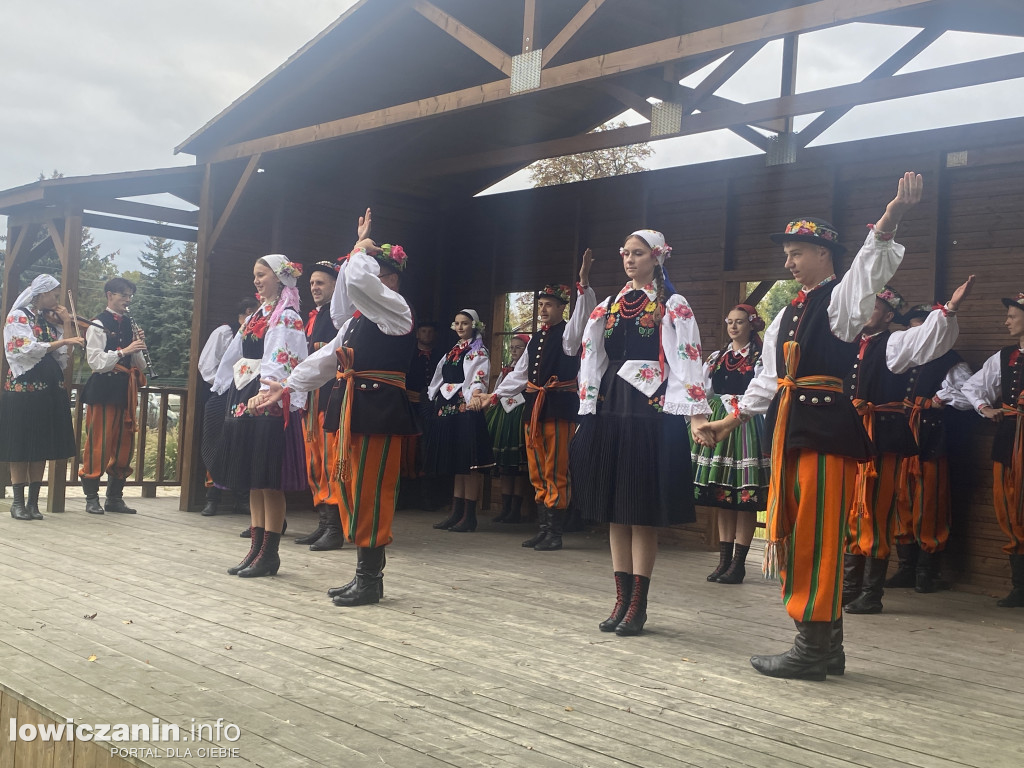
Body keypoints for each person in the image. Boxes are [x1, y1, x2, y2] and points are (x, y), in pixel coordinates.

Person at [700, 172, 924, 680]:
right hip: (794, 431)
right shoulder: (786, 314)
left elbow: (869, 268)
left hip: (826, 433)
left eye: (797, 251)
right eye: (787, 252)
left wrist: (890, 219)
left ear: (824, 253)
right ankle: (829, 646)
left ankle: (812, 646)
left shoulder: (843, 299)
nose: (788, 261)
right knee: (809, 531)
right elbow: (769, 380)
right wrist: (730, 423)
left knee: (817, 537)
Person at [259, 218, 418, 607]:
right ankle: (364, 575)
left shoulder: (397, 310)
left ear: (391, 281)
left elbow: (360, 283)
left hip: (378, 410)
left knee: (371, 489)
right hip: (353, 408)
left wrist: (362, 247)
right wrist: (289, 384)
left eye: (379, 273)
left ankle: (370, 580)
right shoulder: (356, 323)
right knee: (350, 486)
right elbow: (326, 358)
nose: (363, 278)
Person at [571, 231, 710, 636]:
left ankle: (638, 605)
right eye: (626, 254)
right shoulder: (607, 306)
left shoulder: (671, 305)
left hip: (651, 413)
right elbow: (590, 359)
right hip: (613, 407)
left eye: (638, 253)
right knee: (616, 509)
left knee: (641, 509)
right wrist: (588, 408)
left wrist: (695, 412)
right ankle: (619, 599)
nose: (630, 260)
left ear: (657, 257)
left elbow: (688, 358)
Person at [841, 281, 971, 615]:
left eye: (875, 305)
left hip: (882, 437)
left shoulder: (894, 343)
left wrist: (949, 310)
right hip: (850, 435)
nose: (866, 310)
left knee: (878, 509)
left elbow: (927, 339)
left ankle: (871, 593)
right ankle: (848, 588)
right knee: (849, 509)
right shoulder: (846, 342)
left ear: (887, 315)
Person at [476, 251, 597, 549]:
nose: (542, 309)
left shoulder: (568, 335)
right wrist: (494, 395)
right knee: (537, 468)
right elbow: (519, 375)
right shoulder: (537, 338)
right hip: (535, 410)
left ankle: (555, 532)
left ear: (561, 308)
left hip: (558, 408)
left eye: (549, 305)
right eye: (540, 305)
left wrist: (583, 285)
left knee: (555, 467)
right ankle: (544, 527)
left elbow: (583, 317)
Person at [213, 255, 308, 578]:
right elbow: (237, 351)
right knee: (254, 478)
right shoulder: (259, 313)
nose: (256, 281)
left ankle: (269, 553)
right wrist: (225, 382)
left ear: (279, 278)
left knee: (269, 480)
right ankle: (254, 549)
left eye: (261, 275)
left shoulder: (287, 315)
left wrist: (268, 392)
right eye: (254, 275)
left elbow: (284, 355)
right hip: (247, 392)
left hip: (269, 394)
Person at [886, 303, 975, 594]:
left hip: (932, 440)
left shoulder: (951, 362)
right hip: (900, 437)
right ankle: (906, 568)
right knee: (901, 499)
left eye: (920, 328)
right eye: (911, 328)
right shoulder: (900, 359)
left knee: (929, 501)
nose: (914, 334)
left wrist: (938, 399)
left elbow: (966, 397)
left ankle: (927, 571)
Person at [691, 304, 770, 584]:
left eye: (739, 322)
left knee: (744, 500)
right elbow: (702, 389)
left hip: (745, 427)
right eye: (730, 322)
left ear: (752, 325)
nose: (734, 327)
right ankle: (723, 560)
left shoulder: (760, 358)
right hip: (719, 426)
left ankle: (739, 563)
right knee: (723, 498)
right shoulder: (716, 357)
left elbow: (764, 393)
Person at [0, 274, 82, 519]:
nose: (57, 299)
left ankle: (33, 503)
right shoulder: (18, 317)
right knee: (21, 445)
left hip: (48, 390)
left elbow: (62, 354)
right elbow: (24, 349)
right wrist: (64, 339)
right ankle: (17, 503)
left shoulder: (48, 322)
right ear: (43, 294)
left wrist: (66, 324)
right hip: (23, 391)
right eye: (55, 294)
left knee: (40, 445)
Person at [961, 291, 1024, 607]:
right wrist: (984, 407)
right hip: (1009, 439)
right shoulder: (1005, 357)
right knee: (1010, 506)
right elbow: (972, 386)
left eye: (1012, 316)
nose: (1006, 321)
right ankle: (1020, 587)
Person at [78, 277, 148, 515]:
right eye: (123, 295)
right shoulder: (98, 323)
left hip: (125, 388)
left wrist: (139, 347)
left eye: (130, 296)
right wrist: (124, 350)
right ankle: (91, 498)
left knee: (124, 444)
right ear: (109, 295)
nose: (127, 300)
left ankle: (114, 498)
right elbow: (95, 362)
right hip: (104, 387)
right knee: (100, 441)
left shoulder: (129, 324)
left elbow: (139, 365)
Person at [425, 309, 494, 532]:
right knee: (457, 462)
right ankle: (456, 512)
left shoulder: (478, 350)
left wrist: (475, 395)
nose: (460, 327)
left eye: (464, 323)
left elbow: (478, 376)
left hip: (466, 408)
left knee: (469, 463)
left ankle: (470, 515)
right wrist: (432, 393)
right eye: (457, 323)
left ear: (473, 325)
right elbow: (439, 374)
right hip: (449, 406)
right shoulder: (453, 351)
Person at [294, 260, 345, 551]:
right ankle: (324, 522)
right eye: (312, 283)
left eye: (320, 282)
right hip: (312, 396)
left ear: (336, 286)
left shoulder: (339, 316)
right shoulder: (315, 316)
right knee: (314, 459)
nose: (314, 287)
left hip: (329, 396)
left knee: (328, 458)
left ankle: (336, 527)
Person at [198, 296, 258, 517]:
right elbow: (206, 365)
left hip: (247, 396)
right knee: (217, 443)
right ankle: (212, 498)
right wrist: (227, 385)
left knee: (244, 443)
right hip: (223, 395)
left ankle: (241, 498)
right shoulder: (225, 332)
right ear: (250, 311)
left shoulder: (258, 336)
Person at [484, 333, 531, 524]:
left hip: (519, 414)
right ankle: (505, 507)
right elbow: (499, 389)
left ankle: (516, 509)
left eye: (518, 347)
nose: (514, 351)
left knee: (517, 465)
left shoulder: (527, 370)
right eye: (511, 347)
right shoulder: (506, 370)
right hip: (504, 414)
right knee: (504, 465)